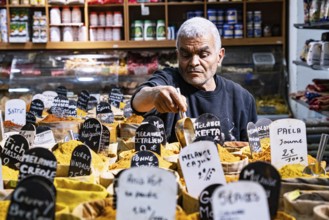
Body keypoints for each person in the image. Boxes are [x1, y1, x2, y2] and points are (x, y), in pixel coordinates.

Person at [131, 17, 257, 143]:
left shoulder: (242, 99)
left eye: (203, 55)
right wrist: (154, 94)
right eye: (186, 55)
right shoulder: (169, 80)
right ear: (178, 56)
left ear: (219, 56)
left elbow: (253, 152)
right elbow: (137, 102)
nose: (194, 62)